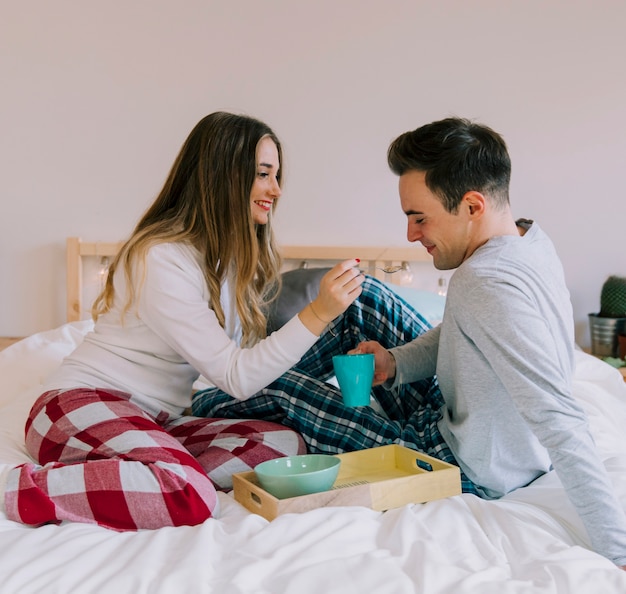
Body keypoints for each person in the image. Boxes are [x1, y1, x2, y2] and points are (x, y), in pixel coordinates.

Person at [192, 117, 626, 568]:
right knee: (365, 295)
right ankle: (313, 379)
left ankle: (210, 399)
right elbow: (465, 331)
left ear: (473, 206)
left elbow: (559, 416)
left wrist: (617, 552)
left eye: (420, 218)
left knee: (282, 387)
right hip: (463, 425)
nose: (411, 235)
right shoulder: (527, 241)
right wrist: (393, 364)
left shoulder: (486, 283)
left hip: (453, 467)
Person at [2, 111, 366, 531]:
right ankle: (18, 489)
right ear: (224, 176)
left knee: (282, 445)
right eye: (264, 174)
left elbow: (236, 365)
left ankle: (156, 468)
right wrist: (318, 313)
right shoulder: (160, 257)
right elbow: (237, 377)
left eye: (276, 175)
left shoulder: (223, 264)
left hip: (156, 419)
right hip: (77, 405)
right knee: (188, 493)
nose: (276, 189)